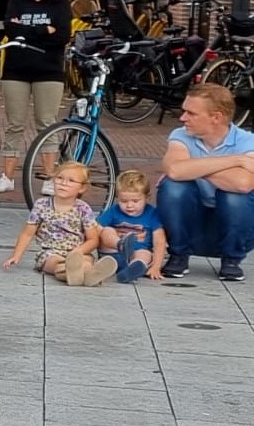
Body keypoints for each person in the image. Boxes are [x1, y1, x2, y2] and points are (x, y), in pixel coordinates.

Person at [158, 82, 254, 281]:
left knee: (235, 196)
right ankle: (178, 255)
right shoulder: (180, 135)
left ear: (216, 118)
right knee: (173, 187)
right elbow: (175, 171)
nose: (183, 118)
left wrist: (191, 168)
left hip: (234, 226)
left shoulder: (248, 141)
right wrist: (235, 161)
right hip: (192, 222)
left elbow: (243, 183)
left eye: (191, 113)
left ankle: (231, 260)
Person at [0, 0, 71, 194]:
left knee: (46, 123)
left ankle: (49, 177)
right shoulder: (17, 1)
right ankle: (7, 177)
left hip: (48, 70)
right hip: (16, 69)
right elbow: (11, 30)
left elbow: (62, 37)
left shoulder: (60, 5)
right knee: (14, 124)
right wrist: (43, 30)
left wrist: (29, 30)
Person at [1, 162, 117, 286]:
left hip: (78, 253)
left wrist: (77, 252)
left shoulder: (83, 208)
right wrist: (16, 255)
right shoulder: (41, 205)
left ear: (82, 188)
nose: (63, 183)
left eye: (71, 181)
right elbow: (27, 233)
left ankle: (88, 274)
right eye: (60, 178)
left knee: (86, 261)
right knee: (56, 264)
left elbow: (93, 239)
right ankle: (78, 274)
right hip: (50, 253)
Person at [98, 169, 166, 283]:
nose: (129, 205)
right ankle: (120, 246)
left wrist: (156, 266)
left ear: (147, 198)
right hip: (114, 251)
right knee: (106, 230)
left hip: (137, 250)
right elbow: (96, 228)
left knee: (145, 254)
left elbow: (160, 241)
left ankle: (131, 271)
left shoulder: (152, 214)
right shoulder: (114, 210)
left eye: (135, 201)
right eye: (123, 201)